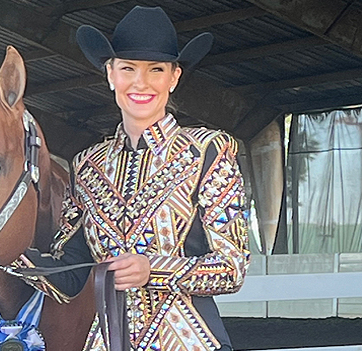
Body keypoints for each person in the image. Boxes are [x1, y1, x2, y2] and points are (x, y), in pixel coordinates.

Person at [15, 6, 250, 351]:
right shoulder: (87, 165)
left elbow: (232, 268)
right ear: (110, 74)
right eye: (128, 68)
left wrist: (151, 270)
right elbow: (69, 274)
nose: (141, 83)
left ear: (174, 77)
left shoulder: (209, 152)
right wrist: (8, 256)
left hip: (189, 341)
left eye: (156, 69)